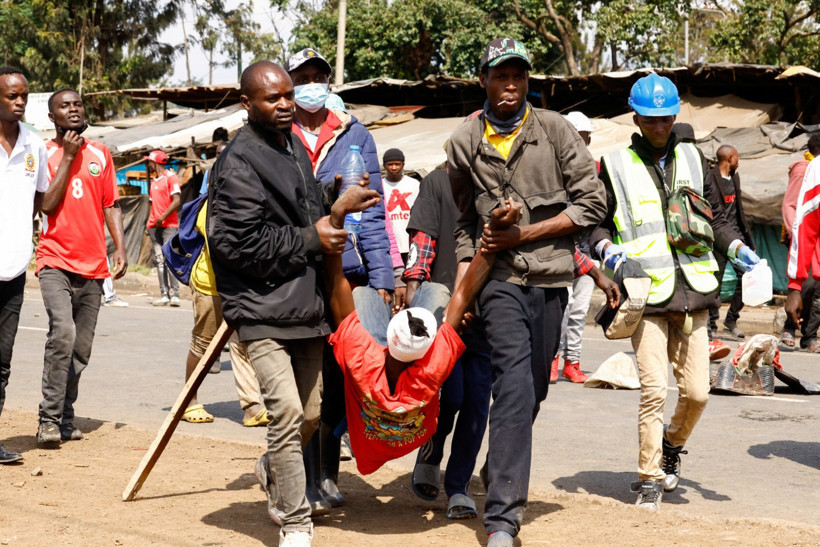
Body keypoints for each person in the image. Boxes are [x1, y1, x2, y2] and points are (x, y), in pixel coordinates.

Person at [207, 60, 380, 546]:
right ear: (247, 104)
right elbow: (236, 245)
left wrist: (336, 202)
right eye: (272, 98)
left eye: (288, 94)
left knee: (309, 415)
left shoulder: (292, 149)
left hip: (306, 306)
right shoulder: (238, 161)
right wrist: (312, 237)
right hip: (259, 307)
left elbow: (301, 208)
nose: (285, 104)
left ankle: (271, 467)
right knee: (285, 413)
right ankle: (295, 520)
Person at [447, 38, 607, 546]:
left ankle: (499, 466)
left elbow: (592, 203)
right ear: (484, 81)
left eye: (518, 76)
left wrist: (527, 233)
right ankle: (502, 520)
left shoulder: (556, 130)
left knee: (534, 387)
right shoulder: (462, 141)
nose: (510, 85)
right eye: (500, 76)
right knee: (513, 383)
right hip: (497, 280)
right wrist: (463, 287)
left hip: (553, 279)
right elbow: (461, 222)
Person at [590, 73, 758, 511]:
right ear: (637, 118)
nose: (661, 127)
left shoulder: (693, 159)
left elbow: (716, 220)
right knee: (653, 390)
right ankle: (648, 477)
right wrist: (612, 256)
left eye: (667, 118)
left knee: (699, 393)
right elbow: (594, 227)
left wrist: (738, 248)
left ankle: (671, 445)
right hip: (646, 296)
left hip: (695, 292)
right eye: (652, 120)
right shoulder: (615, 166)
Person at [286, 47, 395, 514]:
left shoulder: (353, 132)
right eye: (302, 76)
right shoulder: (278, 130)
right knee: (301, 377)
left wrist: (383, 274)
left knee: (343, 374)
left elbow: (373, 209)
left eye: (318, 76)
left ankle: (328, 471)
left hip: (346, 276)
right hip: (294, 270)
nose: (311, 83)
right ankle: (302, 476)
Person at [35, 88, 127, 447]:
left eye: (77, 104)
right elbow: (46, 204)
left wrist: (119, 248)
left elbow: (111, 204)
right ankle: (48, 418)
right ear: (52, 117)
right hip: (54, 260)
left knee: (81, 349)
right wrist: (69, 156)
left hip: (92, 266)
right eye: (64, 106)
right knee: (62, 334)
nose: (73, 110)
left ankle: (65, 416)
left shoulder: (101, 153)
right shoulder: (44, 153)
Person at [0, 66, 49, 463]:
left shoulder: (34, 145)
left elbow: (40, 199)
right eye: (11, 96)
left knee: (1, 361)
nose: (19, 102)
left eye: (23, 96)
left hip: (13, 267)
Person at [551, 110, 598, 383]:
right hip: (561, 252)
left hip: (588, 254)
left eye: (584, 139)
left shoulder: (593, 170)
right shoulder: (553, 170)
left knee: (579, 313)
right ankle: (552, 360)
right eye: (576, 138)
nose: (580, 144)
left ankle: (573, 362)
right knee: (561, 311)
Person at [707, 145, 755, 347]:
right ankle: (710, 326)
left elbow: (740, 211)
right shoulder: (710, 176)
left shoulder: (735, 177)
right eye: (737, 156)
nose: (739, 159)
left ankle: (731, 318)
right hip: (718, 237)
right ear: (729, 157)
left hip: (736, 238)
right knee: (713, 284)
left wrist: (748, 241)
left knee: (748, 277)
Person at [780, 134, 820, 350]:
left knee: (817, 291)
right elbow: (791, 206)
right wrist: (798, 236)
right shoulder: (806, 170)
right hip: (804, 239)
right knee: (807, 286)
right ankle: (790, 328)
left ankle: (810, 335)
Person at [145, 149, 181, 307]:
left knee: (170, 260)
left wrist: (162, 217)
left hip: (169, 226)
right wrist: (149, 223)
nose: (148, 164)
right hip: (155, 227)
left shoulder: (171, 178)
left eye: (149, 162)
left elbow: (177, 200)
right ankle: (164, 294)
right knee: (160, 260)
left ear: (155, 162)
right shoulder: (154, 182)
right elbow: (152, 205)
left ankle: (175, 295)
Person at [382, 148, 420, 263]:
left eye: (397, 164)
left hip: (411, 241)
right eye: (390, 164)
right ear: (384, 166)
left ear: (403, 165)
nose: (394, 168)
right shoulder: (379, 185)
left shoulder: (414, 184)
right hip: (390, 243)